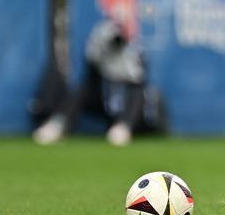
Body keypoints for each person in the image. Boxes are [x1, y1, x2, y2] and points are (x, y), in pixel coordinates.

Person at [32, 15, 166, 146]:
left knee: (137, 94)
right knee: (82, 91)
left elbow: (138, 80)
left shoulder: (135, 51)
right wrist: (103, 48)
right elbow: (91, 74)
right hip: (106, 101)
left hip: (128, 106)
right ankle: (57, 124)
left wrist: (121, 60)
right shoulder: (99, 47)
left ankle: (123, 128)